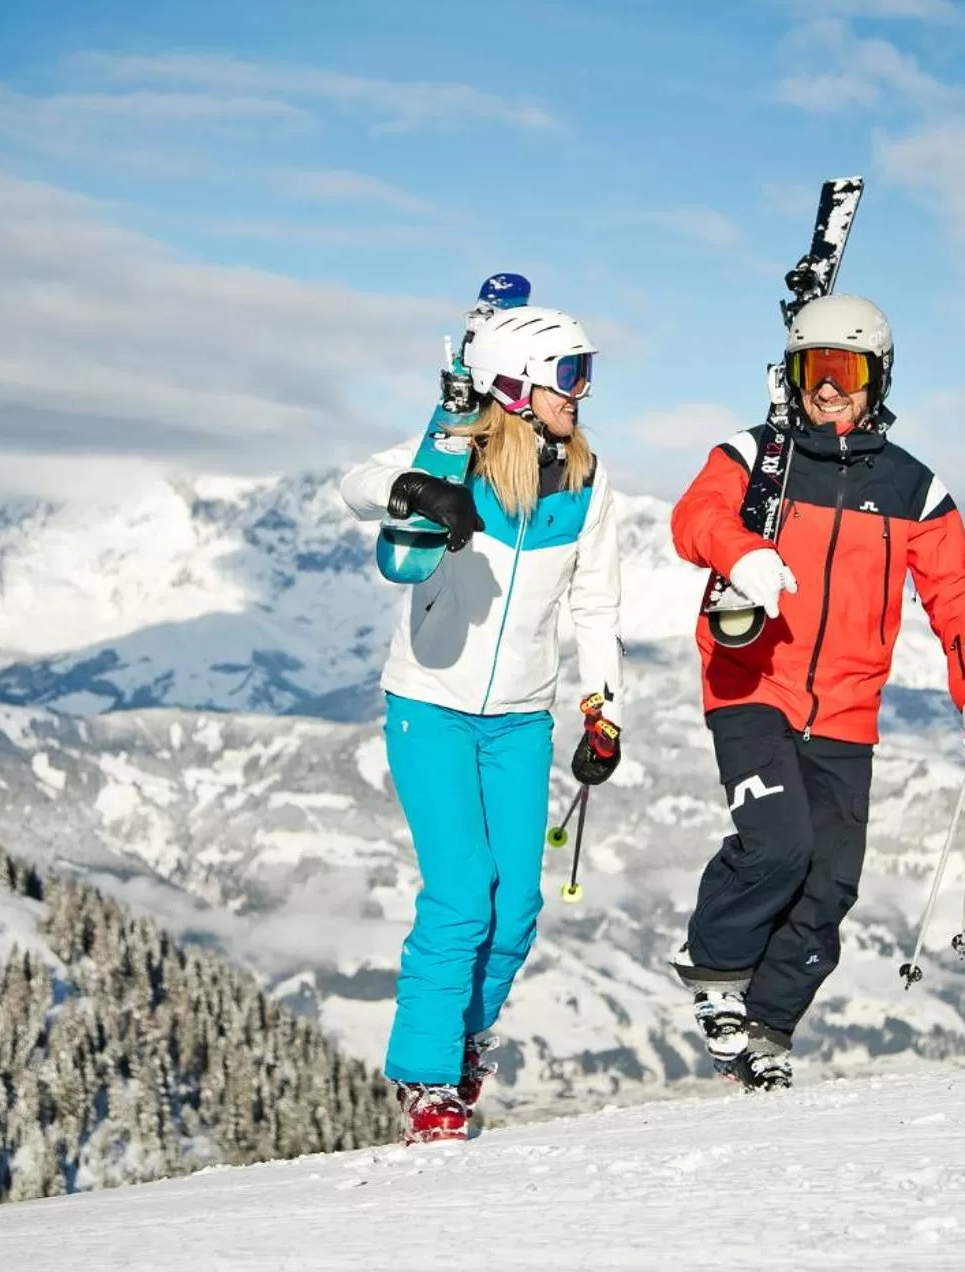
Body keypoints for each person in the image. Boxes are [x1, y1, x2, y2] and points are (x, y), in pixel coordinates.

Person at [667, 294, 965, 1090]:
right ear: (789, 376)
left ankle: (768, 1028)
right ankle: (714, 966)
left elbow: (956, 591)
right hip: (751, 683)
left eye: (844, 370)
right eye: (810, 369)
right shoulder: (754, 458)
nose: (827, 388)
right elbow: (695, 517)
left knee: (831, 884)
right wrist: (742, 552)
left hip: (849, 710)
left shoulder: (911, 488)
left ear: (876, 379)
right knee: (779, 844)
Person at [339, 304, 625, 1144]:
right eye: (570, 375)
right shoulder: (455, 451)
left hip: (520, 718)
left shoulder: (587, 478)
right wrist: (412, 487)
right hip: (429, 705)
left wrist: (602, 708)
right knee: (462, 893)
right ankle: (425, 1080)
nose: (583, 392)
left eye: (585, 372)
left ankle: (464, 1041)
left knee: (520, 904)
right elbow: (354, 485)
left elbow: (596, 602)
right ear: (519, 383)